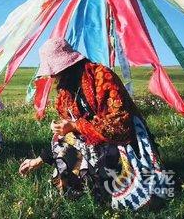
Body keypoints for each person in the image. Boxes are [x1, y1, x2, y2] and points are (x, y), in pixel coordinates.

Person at [19, 38, 170, 210]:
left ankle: (104, 187)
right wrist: (42, 155)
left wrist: (75, 126)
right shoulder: (66, 90)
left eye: (54, 71)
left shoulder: (101, 77)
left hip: (123, 141)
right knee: (59, 139)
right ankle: (80, 186)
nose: (53, 76)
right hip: (94, 139)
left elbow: (119, 125)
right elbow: (69, 126)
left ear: (67, 66)